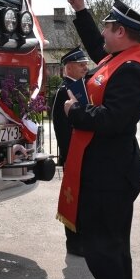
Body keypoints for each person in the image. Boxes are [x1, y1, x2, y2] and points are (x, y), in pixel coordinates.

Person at [60, 0, 140, 279]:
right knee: (111, 251)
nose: (102, 33)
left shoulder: (131, 70)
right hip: (105, 172)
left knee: (106, 252)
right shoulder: (118, 58)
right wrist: (81, 10)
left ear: (120, 32)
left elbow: (114, 119)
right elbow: (95, 45)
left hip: (111, 177)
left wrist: (75, 112)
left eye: (107, 26)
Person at [52, 46, 91, 256]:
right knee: (73, 197)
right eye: (81, 64)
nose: (86, 66)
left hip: (86, 153)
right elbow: (61, 128)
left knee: (85, 198)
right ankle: (74, 243)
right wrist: (67, 157)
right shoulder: (64, 90)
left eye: (85, 63)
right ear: (69, 67)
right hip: (74, 154)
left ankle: (84, 237)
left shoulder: (84, 86)